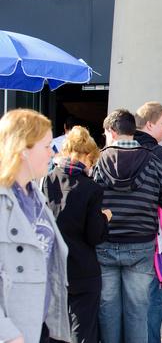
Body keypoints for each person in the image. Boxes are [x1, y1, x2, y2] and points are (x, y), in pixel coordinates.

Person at [94, 109, 162, 343]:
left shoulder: (99, 160)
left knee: (108, 309)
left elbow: (88, 200)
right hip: (141, 244)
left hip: (105, 243)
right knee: (137, 310)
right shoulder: (152, 160)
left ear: (112, 131)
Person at [0, 109, 71, 343]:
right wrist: (8, 333)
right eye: (46, 146)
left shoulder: (35, 196)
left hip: (38, 327)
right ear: (23, 150)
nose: (53, 153)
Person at [43, 125, 111, 343]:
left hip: (52, 267)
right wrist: (105, 218)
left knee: (52, 329)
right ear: (87, 155)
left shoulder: (46, 181)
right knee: (83, 331)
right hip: (83, 269)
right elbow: (94, 236)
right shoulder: (91, 188)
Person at [134, 101, 162, 343]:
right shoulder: (158, 154)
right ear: (149, 124)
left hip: (117, 237)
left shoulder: (116, 149)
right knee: (152, 296)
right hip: (152, 238)